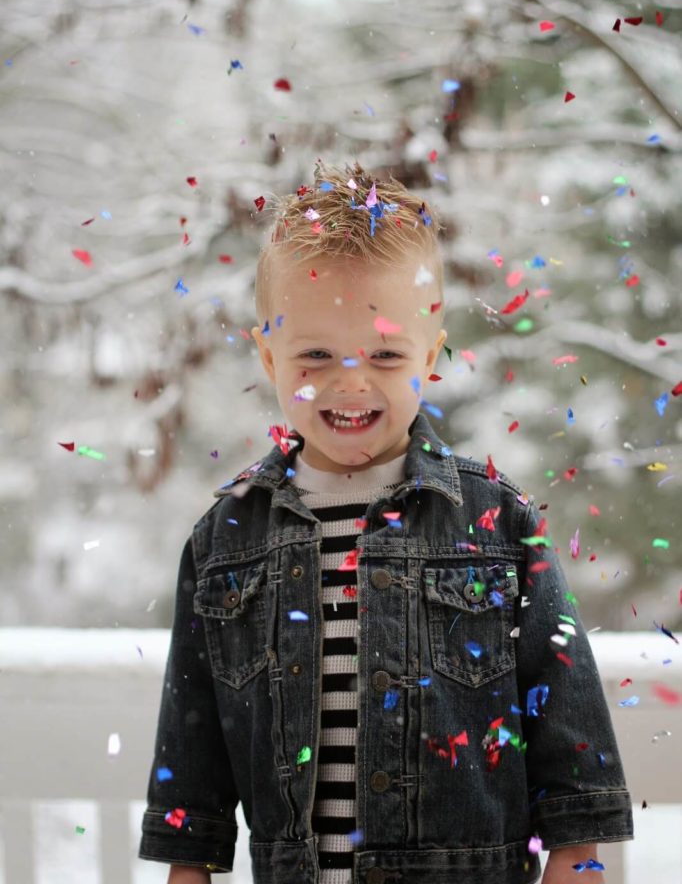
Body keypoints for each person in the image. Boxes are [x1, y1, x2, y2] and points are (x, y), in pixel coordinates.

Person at [139, 161, 633, 884]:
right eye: (315, 354)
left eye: (385, 354)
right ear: (268, 354)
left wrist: (576, 856)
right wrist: (189, 866)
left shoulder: (494, 519)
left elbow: (565, 705)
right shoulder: (225, 540)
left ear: (429, 358)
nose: (350, 381)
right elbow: (195, 734)